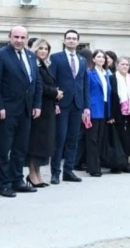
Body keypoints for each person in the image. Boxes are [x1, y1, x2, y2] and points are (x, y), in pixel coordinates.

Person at [0, 26, 42, 197]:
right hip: (8, 110)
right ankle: (4, 184)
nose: (19, 40)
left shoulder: (31, 55)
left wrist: (37, 104)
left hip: (26, 110)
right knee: (4, 149)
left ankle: (17, 180)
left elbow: (36, 83)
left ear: (27, 38)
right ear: (9, 37)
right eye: (16, 37)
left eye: (23, 37)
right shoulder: (0, 55)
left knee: (20, 148)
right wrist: (0, 107)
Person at [48, 29, 90, 184]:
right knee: (60, 139)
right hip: (62, 104)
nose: (71, 41)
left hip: (77, 104)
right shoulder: (56, 58)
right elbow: (52, 81)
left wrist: (86, 106)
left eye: (74, 39)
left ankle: (68, 171)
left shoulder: (82, 60)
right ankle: (55, 172)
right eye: (69, 38)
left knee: (73, 139)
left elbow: (85, 83)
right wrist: (55, 102)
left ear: (78, 42)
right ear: (64, 40)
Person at [26, 38, 61, 187]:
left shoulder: (44, 65)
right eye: (41, 48)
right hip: (38, 108)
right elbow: (39, 86)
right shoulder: (33, 64)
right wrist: (55, 93)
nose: (43, 51)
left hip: (48, 108)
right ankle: (31, 174)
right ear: (35, 49)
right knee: (35, 142)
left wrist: (55, 101)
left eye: (46, 49)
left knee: (44, 143)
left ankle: (38, 173)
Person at [84, 50, 110, 177]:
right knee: (92, 139)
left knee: (100, 138)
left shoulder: (106, 74)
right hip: (93, 109)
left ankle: (95, 164)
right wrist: (86, 108)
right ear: (93, 59)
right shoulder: (90, 73)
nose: (101, 59)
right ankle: (94, 168)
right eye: (98, 57)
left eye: (103, 57)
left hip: (104, 108)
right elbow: (86, 91)